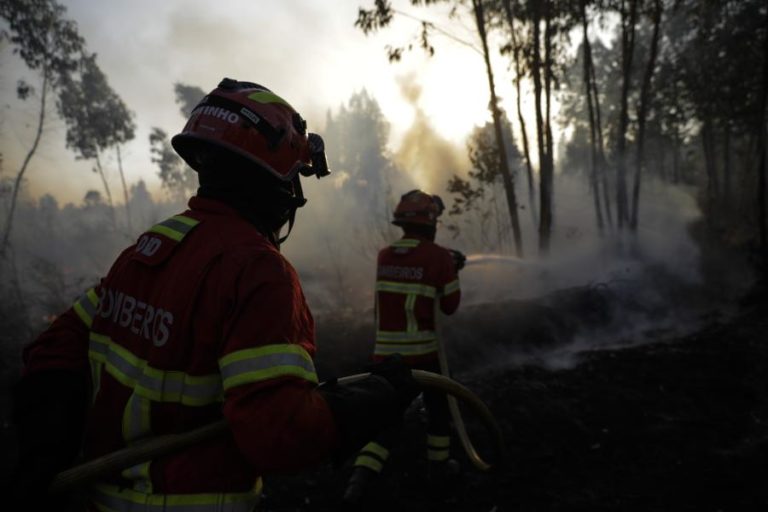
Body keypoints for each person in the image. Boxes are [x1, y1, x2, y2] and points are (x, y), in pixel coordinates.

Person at [9, 78, 418, 511]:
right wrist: (376, 399)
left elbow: (58, 343)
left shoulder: (150, 247)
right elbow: (280, 434)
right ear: (276, 182)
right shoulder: (259, 271)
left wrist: (46, 436)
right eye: (295, 178)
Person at [343, 189, 464, 505]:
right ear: (431, 223)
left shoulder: (385, 256)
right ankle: (439, 469)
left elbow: (412, 268)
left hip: (387, 359)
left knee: (384, 421)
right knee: (439, 413)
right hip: (425, 356)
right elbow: (450, 305)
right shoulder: (439, 258)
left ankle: (359, 481)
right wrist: (452, 269)